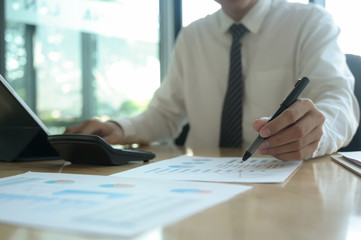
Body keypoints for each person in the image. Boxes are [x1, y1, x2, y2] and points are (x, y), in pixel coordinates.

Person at [65, 0, 359, 160]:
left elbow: (339, 99)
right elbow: (165, 114)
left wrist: (319, 132)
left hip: (277, 173)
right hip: (200, 178)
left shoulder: (310, 22)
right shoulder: (192, 36)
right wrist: (119, 128)